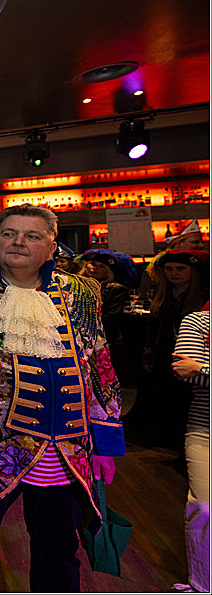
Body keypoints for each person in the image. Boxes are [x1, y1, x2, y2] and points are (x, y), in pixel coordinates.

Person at [0, 204, 124, 592]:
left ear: (52, 247)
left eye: (32, 236)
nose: (18, 242)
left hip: (66, 448)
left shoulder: (82, 293)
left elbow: (98, 363)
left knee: (59, 550)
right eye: (9, 234)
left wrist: (106, 441)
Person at [135, 249, 210, 450]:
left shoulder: (203, 297)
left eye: (180, 268)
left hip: (190, 357)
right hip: (163, 354)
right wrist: (148, 355)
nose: (173, 273)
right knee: (162, 397)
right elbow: (152, 328)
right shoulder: (163, 294)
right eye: (168, 269)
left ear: (193, 271)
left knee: (184, 399)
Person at [171, 302, 210, 593]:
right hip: (204, 431)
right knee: (204, 508)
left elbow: (196, 370)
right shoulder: (198, 321)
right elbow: (184, 372)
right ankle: (201, 584)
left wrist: (202, 366)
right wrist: (196, 369)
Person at [81, 248, 137, 381]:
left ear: (109, 270)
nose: (95, 268)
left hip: (105, 340)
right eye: (93, 264)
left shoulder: (116, 289)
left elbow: (112, 317)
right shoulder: (78, 287)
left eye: (102, 266)